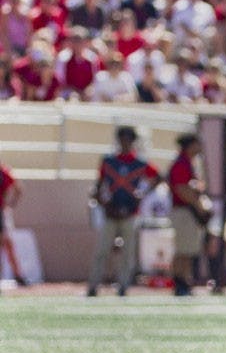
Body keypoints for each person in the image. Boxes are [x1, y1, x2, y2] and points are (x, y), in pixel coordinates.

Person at [87, 126, 163, 297]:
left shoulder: (140, 163)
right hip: (111, 211)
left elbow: (158, 177)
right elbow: (99, 184)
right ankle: (93, 285)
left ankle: (123, 286)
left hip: (130, 212)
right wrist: (104, 203)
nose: (125, 143)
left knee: (127, 253)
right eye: (122, 139)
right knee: (102, 250)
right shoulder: (109, 161)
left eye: (128, 139)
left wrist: (141, 195)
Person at [167, 133, 211, 296]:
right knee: (183, 249)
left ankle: (184, 280)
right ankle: (180, 282)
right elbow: (181, 189)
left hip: (187, 211)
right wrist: (199, 207)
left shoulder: (191, 163)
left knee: (188, 248)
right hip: (183, 210)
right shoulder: (181, 164)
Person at [0, 159, 28, 286]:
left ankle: (18, 275)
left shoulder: (3, 171)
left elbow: (18, 187)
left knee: (7, 244)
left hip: (1, 212)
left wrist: (10, 204)